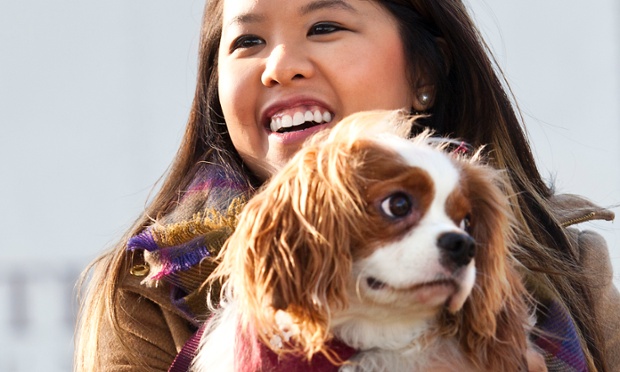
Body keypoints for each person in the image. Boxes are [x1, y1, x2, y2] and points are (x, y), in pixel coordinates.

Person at [74, 0, 620, 371]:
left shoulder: (565, 258)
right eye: (248, 41)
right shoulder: (145, 286)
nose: (280, 66)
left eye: (324, 27)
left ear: (425, 71)